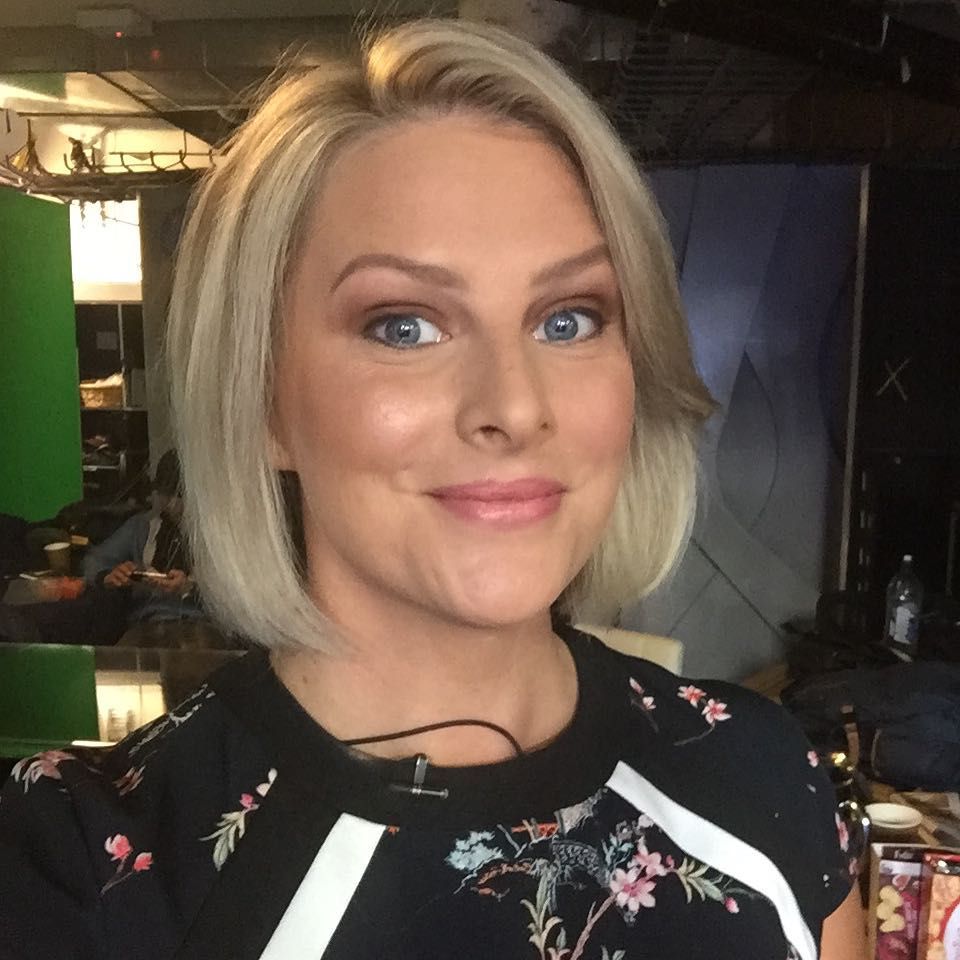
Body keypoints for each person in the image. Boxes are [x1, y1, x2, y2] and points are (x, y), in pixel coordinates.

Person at [0, 18, 864, 959]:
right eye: (403, 325)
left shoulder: (759, 776)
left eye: (569, 318)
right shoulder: (82, 876)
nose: (514, 407)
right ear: (264, 400)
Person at [81, 450, 217, 647]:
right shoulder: (141, 527)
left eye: (180, 495)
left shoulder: (220, 535)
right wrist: (109, 575)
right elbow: (94, 560)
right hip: (148, 623)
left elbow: (237, 593)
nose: (172, 504)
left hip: (203, 625)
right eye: (166, 494)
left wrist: (189, 588)